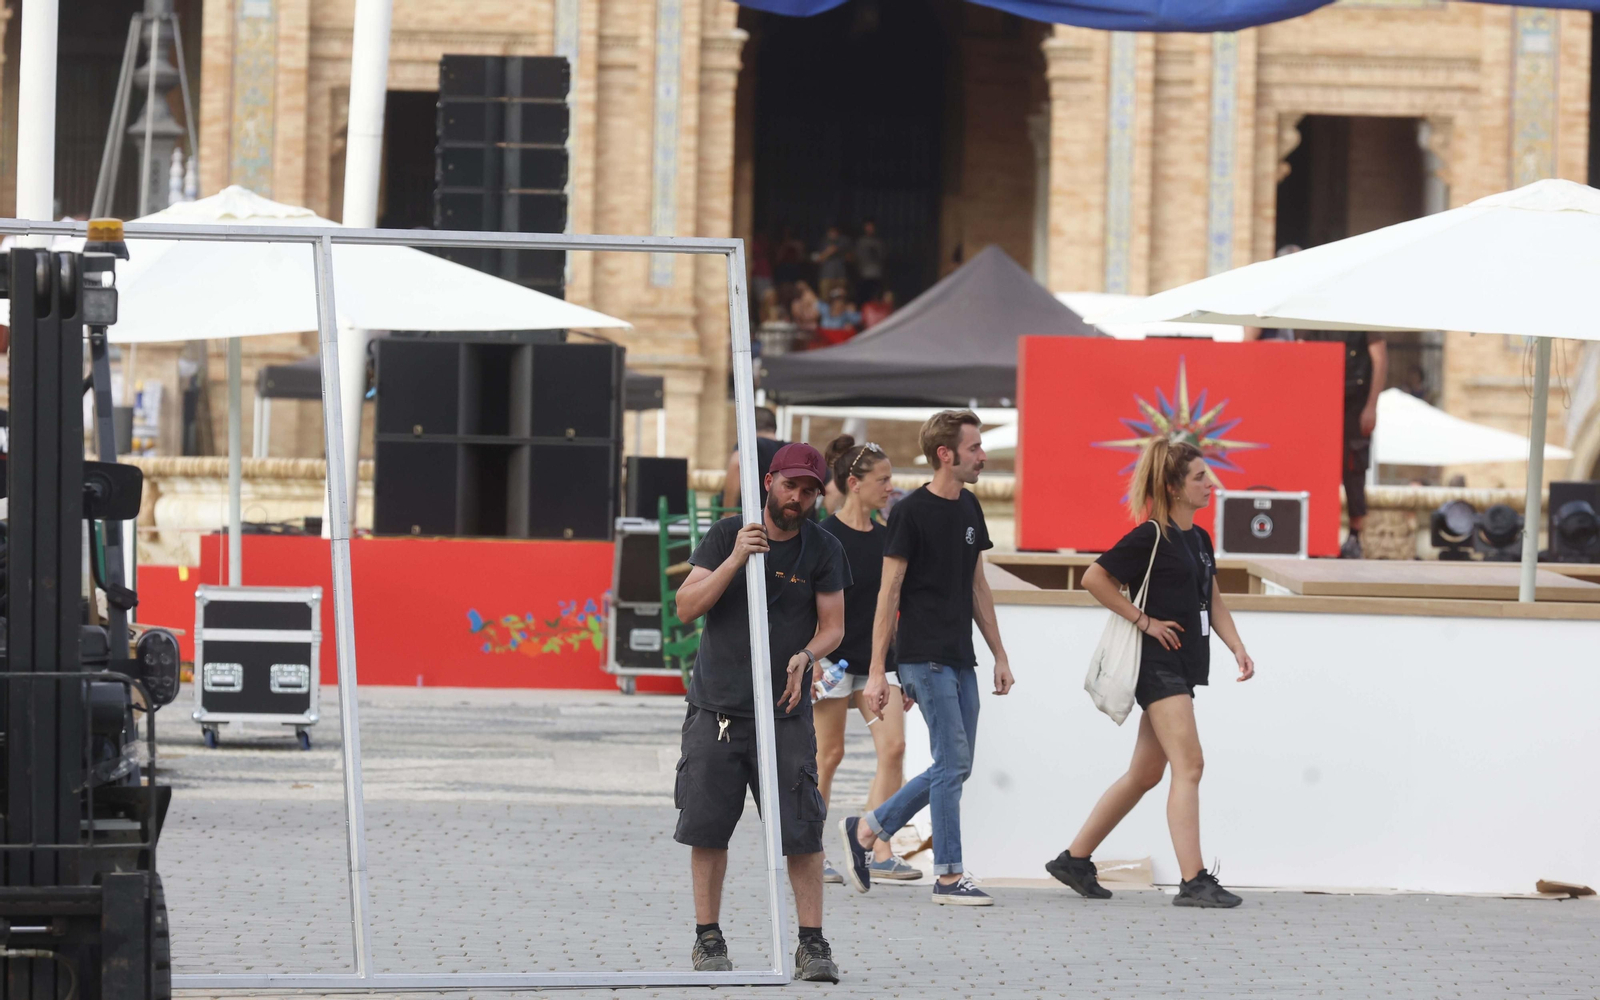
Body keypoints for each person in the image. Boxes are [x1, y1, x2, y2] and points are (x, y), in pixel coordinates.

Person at [1045, 437, 1255, 908]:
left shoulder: (1199, 540)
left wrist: (1237, 647)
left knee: (1144, 774)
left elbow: (1212, 599)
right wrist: (1144, 621)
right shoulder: (1150, 537)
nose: (1210, 483)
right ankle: (1193, 880)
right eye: (1199, 477)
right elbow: (1094, 577)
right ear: (1174, 487)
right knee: (1190, 764)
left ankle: (1074, 859)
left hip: (1182, 666)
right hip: (1157, 669)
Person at [672, 442, 849, 981]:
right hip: (718, 709)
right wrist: (735, 559)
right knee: (707, 829)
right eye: (791, 485)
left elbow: (833, 627)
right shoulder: (728, 533)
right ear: (769, 482)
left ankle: (812, 943)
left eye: (809, 490)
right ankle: (708, 937)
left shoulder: (823, 548)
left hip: (785, 712)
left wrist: (806, 655)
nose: (798, 497)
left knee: (802, 830)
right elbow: (686, 607)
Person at [838, 410, 1016, 906]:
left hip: (961, 657)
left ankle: (867, 828)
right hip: (921, 657)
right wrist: (879, 670)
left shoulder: (971, 507)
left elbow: (978, 586)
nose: (982, 456)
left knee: (956, 766)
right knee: (952, 762)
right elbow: (888, 592)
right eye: (974, 447)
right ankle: (948, 876)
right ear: (945, 454)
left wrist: (1000, 654)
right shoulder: (911, 512)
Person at [815, 437, 919, 885]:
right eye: (883, 480)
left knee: (894, 748)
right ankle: (811, 851)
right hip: (832, 664)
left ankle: (877, 847)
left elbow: (898, 606)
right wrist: (810, 659)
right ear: (854, 483)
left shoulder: (888, 537)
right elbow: (805, 604)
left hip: (879, 664)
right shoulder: (823, 536)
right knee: (827, 756)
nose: (890, 488)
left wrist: (905, 667)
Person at [1296, 327, 1386, 558]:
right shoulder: (1311, 316)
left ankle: (1355, 537)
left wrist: (1372, 406)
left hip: (1355, 403)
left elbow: (1380, 359)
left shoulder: (1363, 318)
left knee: (1354, 465)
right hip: (1321, 398)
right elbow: (1300, 352)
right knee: (1316, 466)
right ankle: (1314, 534)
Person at [722, 407, 785, 513]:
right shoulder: (790, 448)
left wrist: (729, 513)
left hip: (753, 517)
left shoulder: (751, 445)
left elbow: (737, 464)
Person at [813, 225, 852, 301]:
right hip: (826, 276)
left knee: (840, 299)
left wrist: (843, 252)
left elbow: (851, 258)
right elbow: (817, 259)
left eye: (835, 232)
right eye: (831, 232)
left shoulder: (843, 242)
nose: (833, 234)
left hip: (840, 276)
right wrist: (828, 251)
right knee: (825, 299)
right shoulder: (823, 243)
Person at [854, 221, 886, 303]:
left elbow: (882, 256)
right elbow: (857, 257)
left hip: (877, 274)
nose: (869, 229)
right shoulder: (861, 241)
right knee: (864, 297)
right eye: (868, 227)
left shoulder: (878, 241)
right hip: (864, 274)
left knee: (876, 297)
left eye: (871, 227)